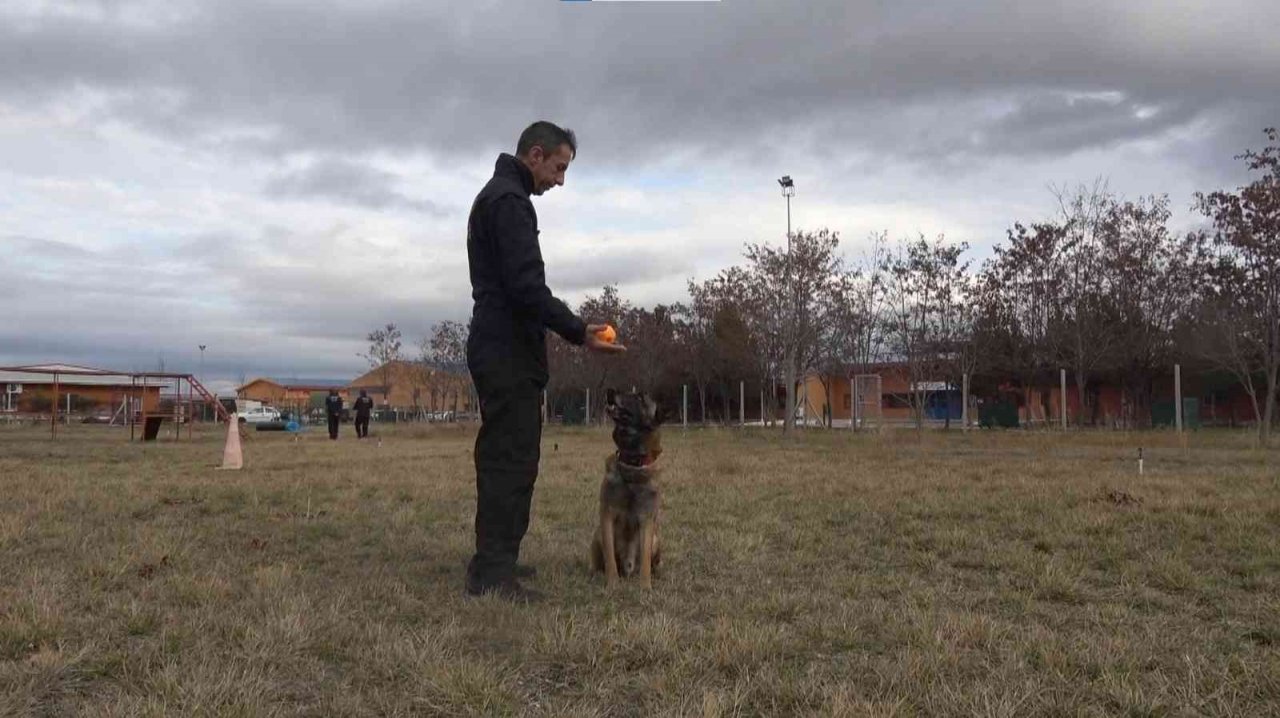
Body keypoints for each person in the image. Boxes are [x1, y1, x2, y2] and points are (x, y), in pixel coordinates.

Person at [464, 121, 624, 602]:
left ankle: (496, 560)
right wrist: (579, 332)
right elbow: (527, 288)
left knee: (506, 457)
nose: (560, 180)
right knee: (511, 462)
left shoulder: (495, 197)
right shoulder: (509, 203)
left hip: (499, 347)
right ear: (535, 155)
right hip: (506, 351)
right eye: (558, 167)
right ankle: (492, 573)